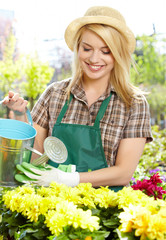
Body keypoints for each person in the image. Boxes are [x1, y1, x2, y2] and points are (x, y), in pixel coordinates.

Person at [2, 6, 153, 190]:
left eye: (106, 51)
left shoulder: (133, 103)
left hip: (105, 210)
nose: (94, 58)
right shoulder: (55, 94)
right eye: (87, 48)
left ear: (118, 54)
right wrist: (19, 116)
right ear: (77, 49)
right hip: (51, 205)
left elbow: (123, 173)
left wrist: (68, 179)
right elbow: (35, 157)